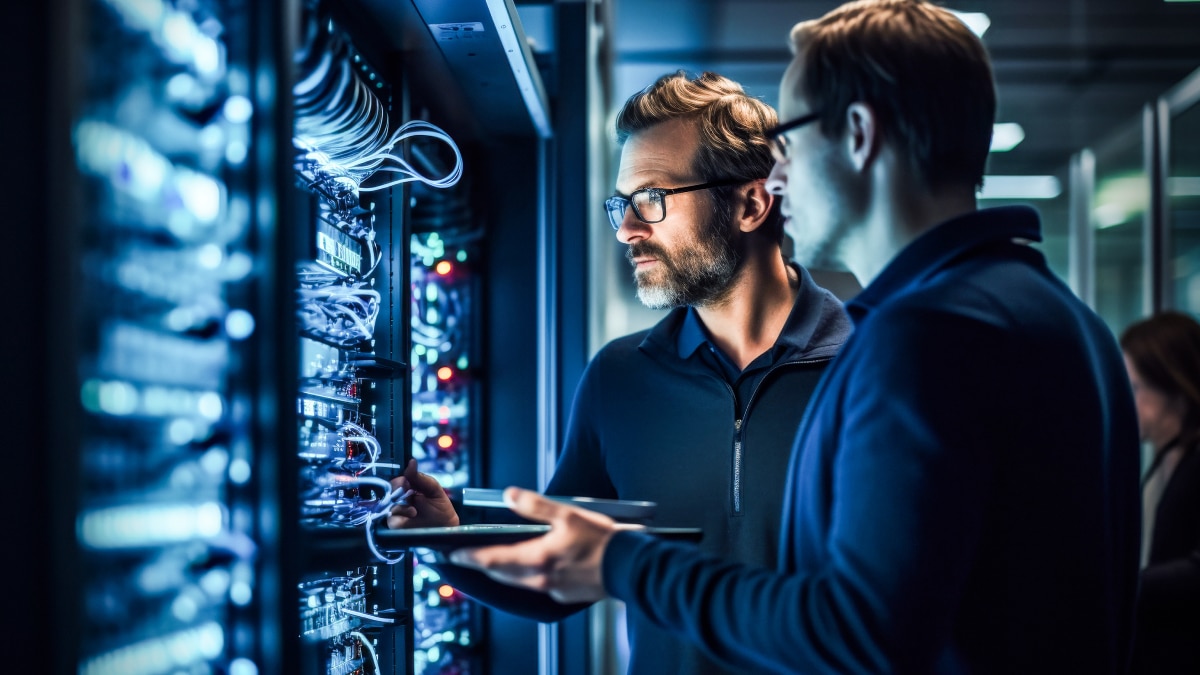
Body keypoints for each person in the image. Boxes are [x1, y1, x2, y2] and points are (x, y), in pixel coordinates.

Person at [447, 1, 1143, 673]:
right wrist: (445, 535)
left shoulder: (918, 337)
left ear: (860, 133)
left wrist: (623, 561)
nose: (780, 174)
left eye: (792, 140)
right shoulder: (1068, 320)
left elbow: (863, 632)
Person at [390, 71, 852, 674]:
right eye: (621, 205)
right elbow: (556, 574)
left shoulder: (866, 371)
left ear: (750, 203)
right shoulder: (621, 378)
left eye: (652, 198)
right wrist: (445, 538)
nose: (629, 230)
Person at [1120, 311, 1200, 675]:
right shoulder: (1166, 459)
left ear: (1174, 386)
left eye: (1134, 387)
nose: (1125, 400)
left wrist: (1121, 587)